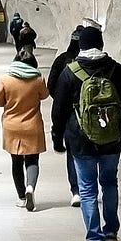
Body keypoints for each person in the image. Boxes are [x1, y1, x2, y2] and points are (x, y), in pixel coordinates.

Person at [49, 24, 121, 241]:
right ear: (101, 44)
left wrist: (57, 137)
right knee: (109, 183)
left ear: (80, 46)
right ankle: (111, 232)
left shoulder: (70, 72)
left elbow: (58, 110)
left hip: (80, 142)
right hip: (111, 140)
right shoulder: (115, 70)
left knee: (88, 190)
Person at [0, 45, 49, 210]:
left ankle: (21, 197)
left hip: (12, 126)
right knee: (32, 160)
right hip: (32, 125)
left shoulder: (5, 79)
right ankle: (30, 187)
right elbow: (45, 95)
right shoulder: (38, 79)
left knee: (16, 162)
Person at [47, 24, 84, 207]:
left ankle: (76, 190)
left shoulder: (62, 60)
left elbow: (51, 86)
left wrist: (62, 101)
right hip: (93, 115)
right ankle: (89, 187)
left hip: (70, 114)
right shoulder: (96, 63)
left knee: (73, 153)